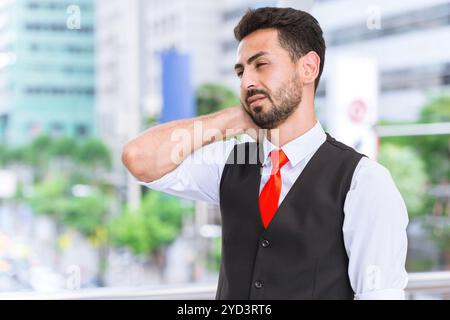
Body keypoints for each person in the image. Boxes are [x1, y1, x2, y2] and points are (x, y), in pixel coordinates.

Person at [122, 7, 409, 300]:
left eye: (261, 65)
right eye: (241, 71)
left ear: (308, 68)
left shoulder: (364, 182)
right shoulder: (231, 161)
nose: (247, 81)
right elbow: (139, 158)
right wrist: (234, 119)